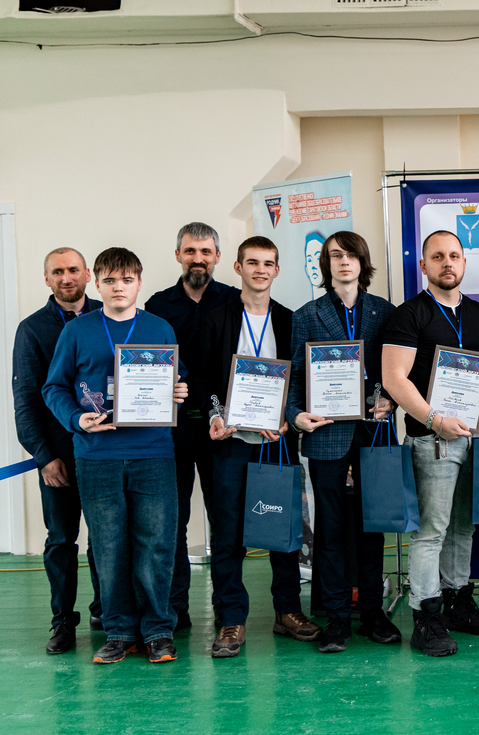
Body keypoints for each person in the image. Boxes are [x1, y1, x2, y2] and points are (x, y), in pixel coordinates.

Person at [43, 247, 189, 664]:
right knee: (108, 548)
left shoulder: (159, 327)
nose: (118, 287)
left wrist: (180, 389)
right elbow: (54, 388)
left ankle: (158, 631)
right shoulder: (77, 331)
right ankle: (119, 631)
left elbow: (176, 378)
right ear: (97, 283)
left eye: (126, 280)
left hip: (153, 453)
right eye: (109, 280)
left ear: (139, 283)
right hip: (96, 456)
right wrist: (76, 419)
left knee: (156, 545)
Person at [382, 230, 479, 657]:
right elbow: (393, 379)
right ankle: (426, 614)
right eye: (437, 257)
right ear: (424, 266)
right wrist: (435, 420)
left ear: (464, 263)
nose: (447, 263)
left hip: (474, 435)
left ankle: (457, 599)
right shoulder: (409, 314)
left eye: (454, 255)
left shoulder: (478, 312)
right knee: (431, 531)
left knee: (463, 526)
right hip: (431, 438)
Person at [193, 236, 321, 658]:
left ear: (277, 270)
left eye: (268, 263)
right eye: (252, 262)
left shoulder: (289, 319)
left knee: (282, 529)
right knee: (228, 534)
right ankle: (232, 619)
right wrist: (216, 414)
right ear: (238, 267)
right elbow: (203, 379)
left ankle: (288, 611)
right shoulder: (214, 318)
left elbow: (299, 378)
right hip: (231, 442)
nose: (260, 270)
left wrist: (288, 416)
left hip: (276, 440)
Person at [286, 230, 398, 653]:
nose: (344, 261)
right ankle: (336, 617)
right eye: (335, 255)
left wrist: (391, 400)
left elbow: (396, 372)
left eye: (351, 255)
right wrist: (295, 415)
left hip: (373, 429)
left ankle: (372, 612)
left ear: (362, 262)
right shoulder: (307, 315)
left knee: (372, 526)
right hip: (325, 432)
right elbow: (296, 376)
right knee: (330, 529)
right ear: (326, 264)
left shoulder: (385, 312)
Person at [145, 222, 239, 629]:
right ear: (178, 255)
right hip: (173, 431)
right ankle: (175, 607)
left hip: (225, 428)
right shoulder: (157, 305)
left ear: (217, 256)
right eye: (190, 251)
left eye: (205, 252)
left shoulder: (234, 301)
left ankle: (227, 609)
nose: (197, 259)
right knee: (172, 521)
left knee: (225, 520)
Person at [12, 247, 103, 654]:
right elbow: (26, 401)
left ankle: (106, 610)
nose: (67, 278)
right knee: (62, 539)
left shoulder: (109, 315)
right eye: (58, 272)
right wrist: (44, 457)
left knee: (106, 537)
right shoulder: (32, 330)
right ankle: (63, 622)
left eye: (73, 270)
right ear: (46, 279)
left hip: (103, 451)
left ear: (88, 274)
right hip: (59, 456)